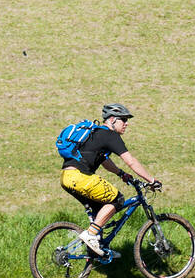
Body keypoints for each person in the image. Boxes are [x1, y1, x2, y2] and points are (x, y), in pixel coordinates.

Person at [60, 104, 160, 256]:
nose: (126, 124)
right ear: (112, 120)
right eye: (124, 120)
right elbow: (131, 161)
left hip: (67, 177)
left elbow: (104, 161)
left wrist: (121, 174)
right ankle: (91, 236)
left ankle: (95, 250)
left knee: (100, 211)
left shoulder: (97, 133)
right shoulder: (111, 136)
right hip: (80, 177)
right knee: (117, 200)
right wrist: (151, 180)